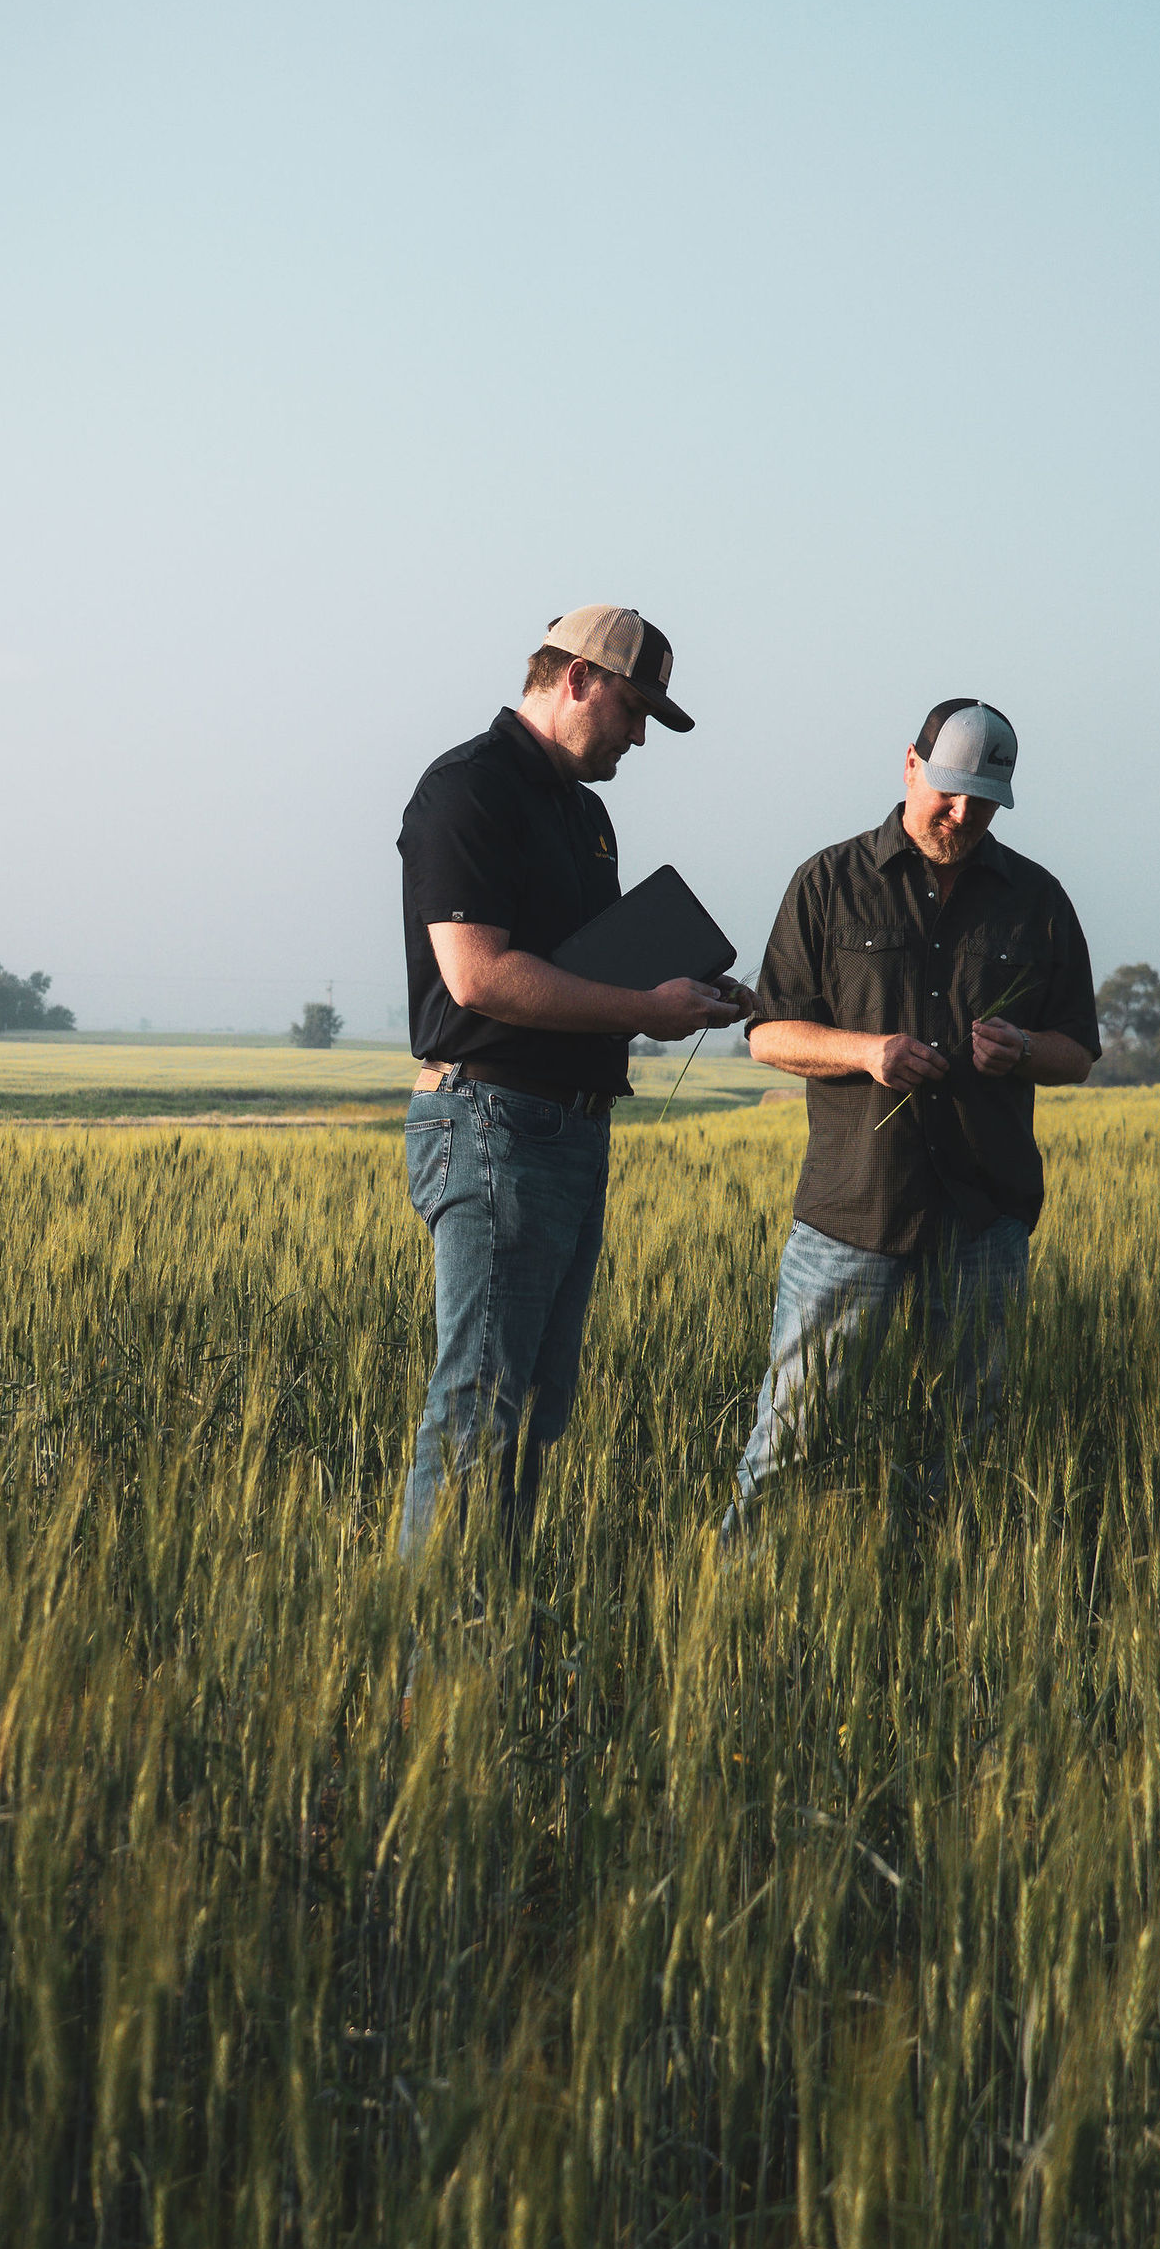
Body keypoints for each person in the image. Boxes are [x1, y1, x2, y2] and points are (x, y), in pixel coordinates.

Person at [396, 605, 745, 1562]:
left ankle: (491, 1619)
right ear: (578, 679)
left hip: (570, 1129)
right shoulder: (468, 787)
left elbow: (591, 973)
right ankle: (429, 1638)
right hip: (492, 1120)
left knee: (535, 1409)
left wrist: (687, 993)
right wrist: (644, 1007)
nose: (640, 737)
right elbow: (478, 976)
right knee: (480, 1402)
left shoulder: (586, 816)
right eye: (633, 710)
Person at [723, 697, 1099, 1535]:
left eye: (983, 801)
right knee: (791, 1436)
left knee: (963, 1446)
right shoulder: (827, 882)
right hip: (852, 1214)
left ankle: (931, 1592)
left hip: (983, 1217)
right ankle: (739, 1585)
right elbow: (768, 1034)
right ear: (910, 766)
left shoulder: (1037, 900)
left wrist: (1023, 1049)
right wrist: (868, 1053)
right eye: (948, 791)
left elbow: (1076, 1051)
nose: (961, 814)